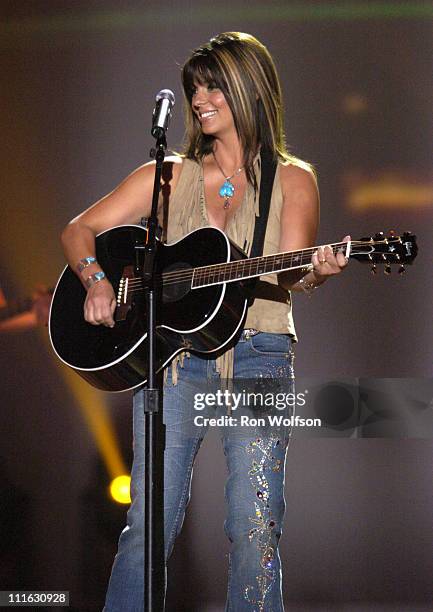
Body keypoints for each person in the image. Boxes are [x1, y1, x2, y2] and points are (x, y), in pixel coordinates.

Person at [61, 32, 348, 611]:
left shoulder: (293, 180)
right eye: (195, 87)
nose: (200, 98)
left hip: (261, 354)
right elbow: (78, 230)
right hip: (173, 358)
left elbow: (293, 273)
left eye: (213, 85)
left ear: (249, 89)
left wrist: (319, 270)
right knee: (148, 526)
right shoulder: (169, 175)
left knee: (254, 527)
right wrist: (95, 279)